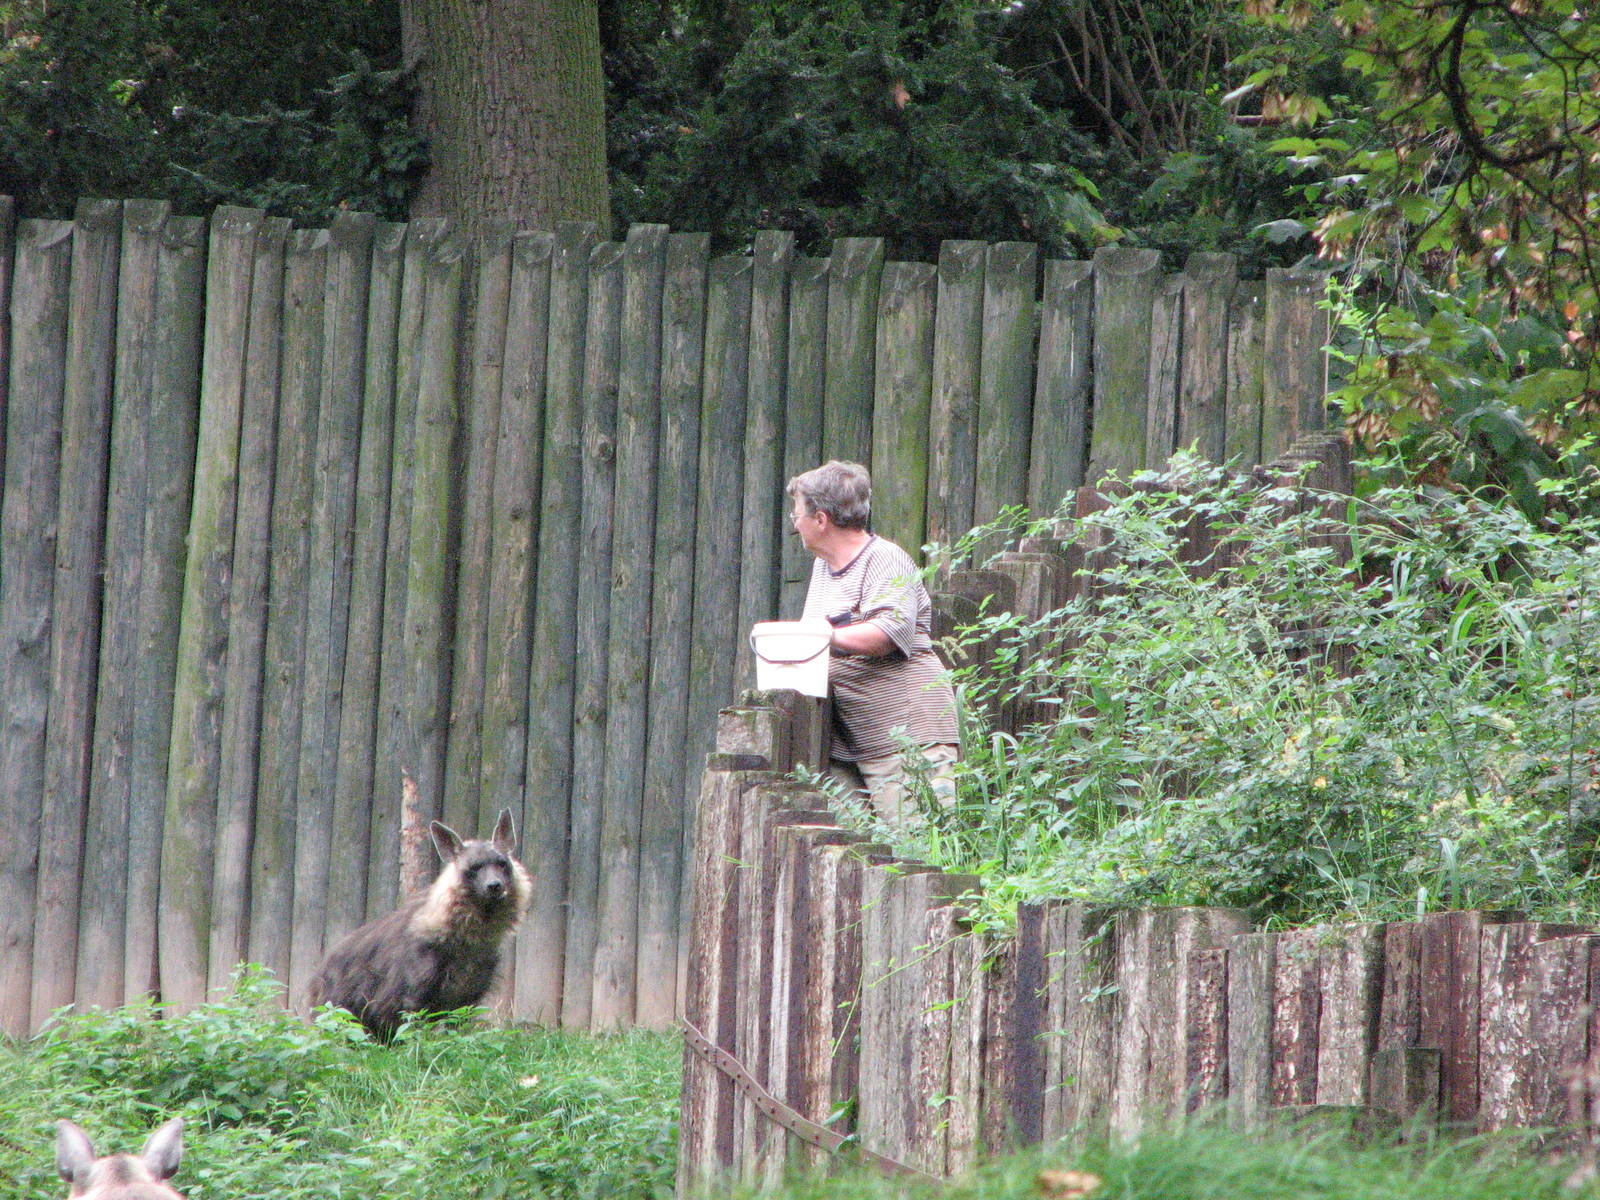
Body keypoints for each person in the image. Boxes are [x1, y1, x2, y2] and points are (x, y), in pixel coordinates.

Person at [786, 460, 959, 831]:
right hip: (851, 743)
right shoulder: (823, 567)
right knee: (859, 861)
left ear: (821, 520)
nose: (792, 520)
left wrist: (822, 636)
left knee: (918, 856)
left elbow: (887, 632)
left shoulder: (885, 559)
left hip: (907, 739)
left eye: (797, 511)